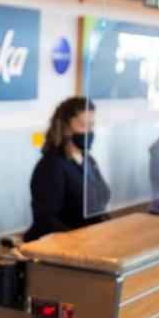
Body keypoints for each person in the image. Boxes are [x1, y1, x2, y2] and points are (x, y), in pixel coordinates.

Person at [23, 96, 111, 242]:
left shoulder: (88, 161)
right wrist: (75, 240)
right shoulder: (52, 166)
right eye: (84, 125)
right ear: (65, 128)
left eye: (92, 126)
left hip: (90, 241)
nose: (89, 131)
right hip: (61, 248)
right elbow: (45, 219)